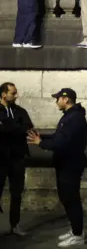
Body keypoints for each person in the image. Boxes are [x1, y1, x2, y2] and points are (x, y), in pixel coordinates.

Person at [27, 88, 87, 247]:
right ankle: (75, 230)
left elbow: (62, 143)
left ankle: (78, 235)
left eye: (58, 99)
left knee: (71, 199)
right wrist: (43, 137)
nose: (56, 102)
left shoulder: (74, 118)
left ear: (66, 99)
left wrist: (41, 143)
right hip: (65, 164)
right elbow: (59, 137)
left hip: (71, 164)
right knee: (66, 198)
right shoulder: (69, 117)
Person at [0, 83, 33, 236]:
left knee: (17, 193)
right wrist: (15, 128)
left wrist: (7, 126)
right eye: (13, 93)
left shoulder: (20, 111)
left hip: (17, 158)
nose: (16, 95)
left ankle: (15, 225)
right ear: (3, 94)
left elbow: (28, 128)